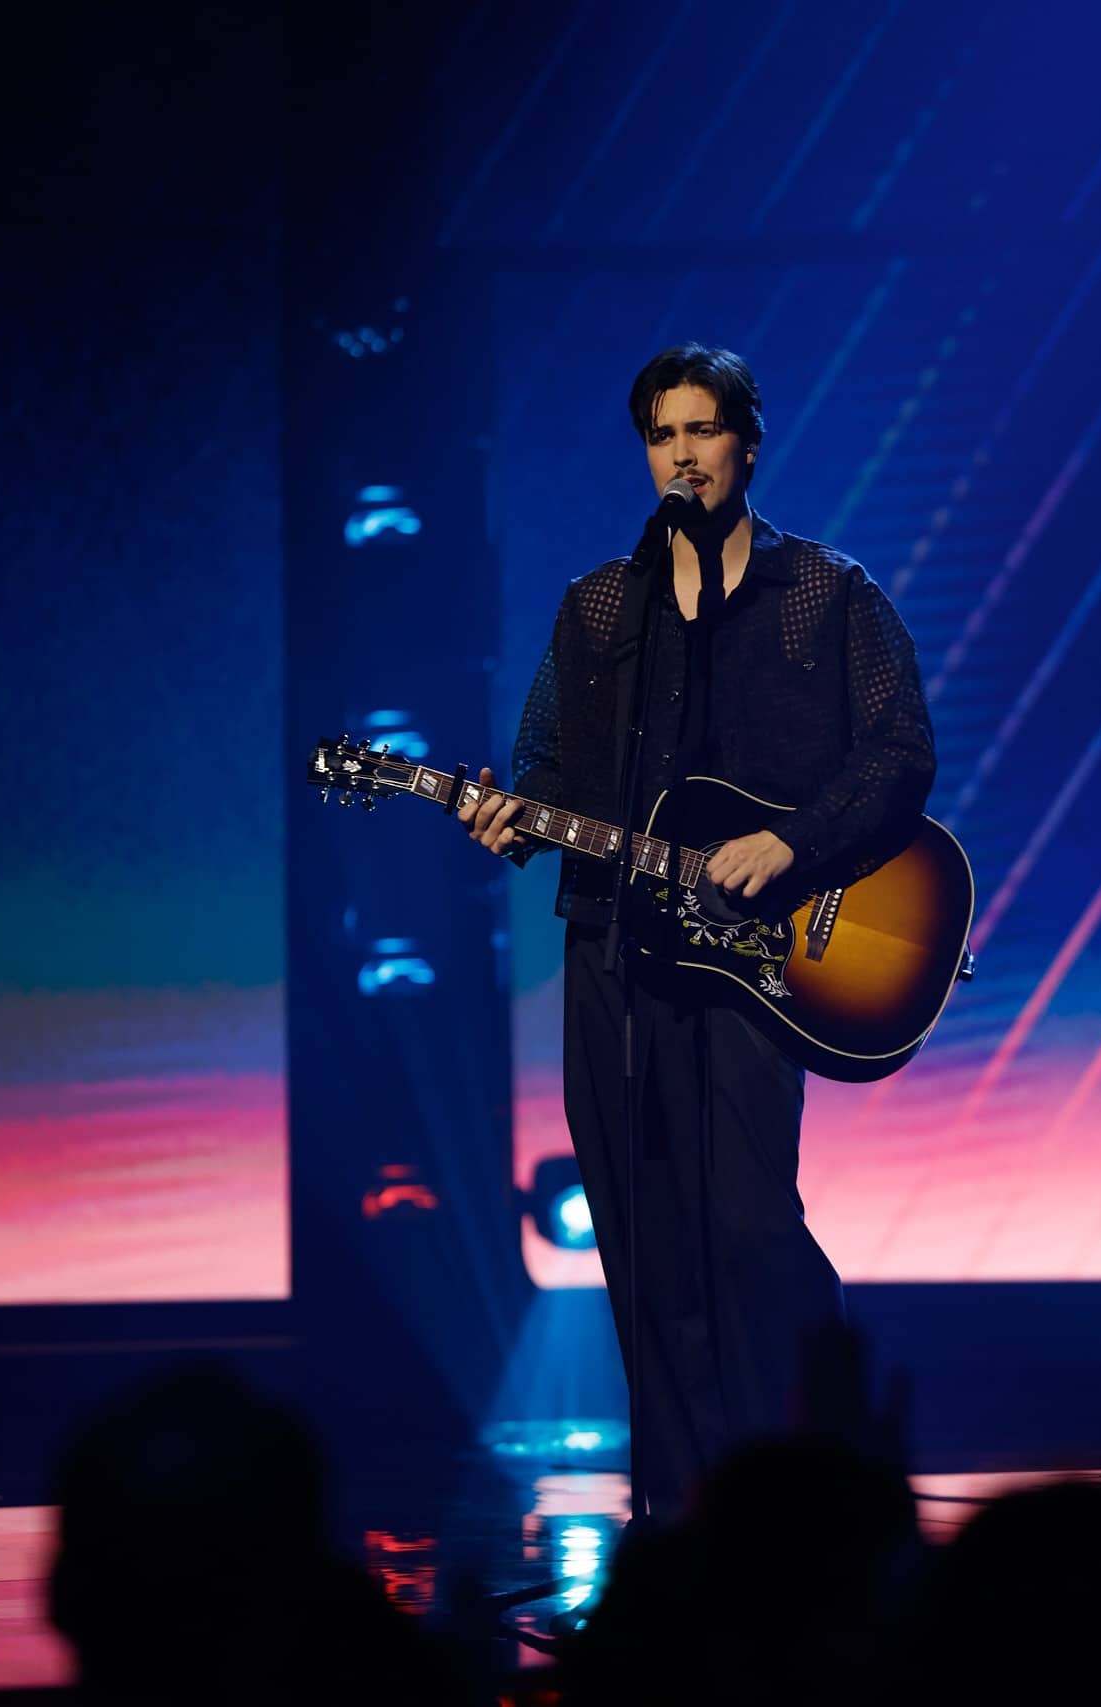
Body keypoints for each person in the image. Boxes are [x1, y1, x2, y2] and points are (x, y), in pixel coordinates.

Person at [461, 343, 936, 1519]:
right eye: (661, 434)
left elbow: (899, 752)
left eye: (702, 430)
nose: (682, 453)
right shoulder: (603, 606)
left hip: (757, 966)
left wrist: (795, 844)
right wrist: (503, 819)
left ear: (746, 442)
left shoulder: (825, 593)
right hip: (618, 953)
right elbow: (544, 769)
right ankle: (680, 1513)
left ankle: (817, 1485)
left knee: (746, 1227)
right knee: (642, 1232)